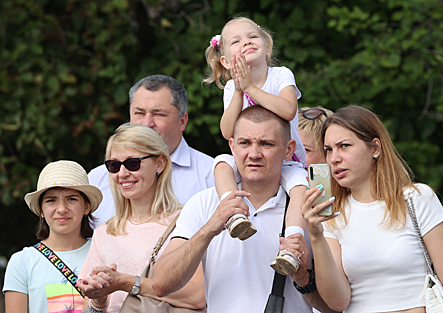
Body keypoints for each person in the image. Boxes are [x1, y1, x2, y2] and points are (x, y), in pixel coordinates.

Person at [152, 106, 337, 313]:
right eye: (245, 143)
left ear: (289, 149)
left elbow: (335, 308)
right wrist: (209, 229)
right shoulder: (204, 203)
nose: (254, 154)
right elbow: (160, 284)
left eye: (266, 144)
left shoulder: (312, 209)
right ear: (232, 146)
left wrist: (304, 281)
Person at [301, 105, 443, 312]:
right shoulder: (333, 214)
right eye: (328, 150)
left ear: (375, 149)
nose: (334, 158)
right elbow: (337, 302)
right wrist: (316, 235)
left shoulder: (416, 198)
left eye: (344, 146)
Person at [203, 16, 308, 275]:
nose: (247, 42)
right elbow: (227, 130)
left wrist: (251, 86)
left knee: (299, 190)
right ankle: (235, 215)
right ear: (227, 61)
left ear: (266, 47)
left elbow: (288, 109)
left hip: (287, 160)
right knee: (221, 164)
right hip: (249, 160)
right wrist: (240, 91)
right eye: (236, 41)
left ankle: (292, 245)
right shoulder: (231, 88)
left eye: (252, 36)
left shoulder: (281, 75)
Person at [77, 123, 205, 312]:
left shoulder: (187, 221)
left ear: (159, 163)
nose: (122, 173)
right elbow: (92, 308)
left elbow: (197, 296)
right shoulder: (104, 233)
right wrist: (99, 299)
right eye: (114, 165)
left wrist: (126, 282)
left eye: (132, 163)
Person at [89, 74, 214, 228]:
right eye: (139, 113)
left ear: (182, 121)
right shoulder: (96, 181)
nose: (146, 123)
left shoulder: (212, 176)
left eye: (159, 114)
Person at [3, 160, 102, 313]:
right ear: (41, 210)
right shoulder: (22, 262)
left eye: (71, 199)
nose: (62, 209)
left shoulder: (103, 253)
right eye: (51, 200)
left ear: (86, 206)